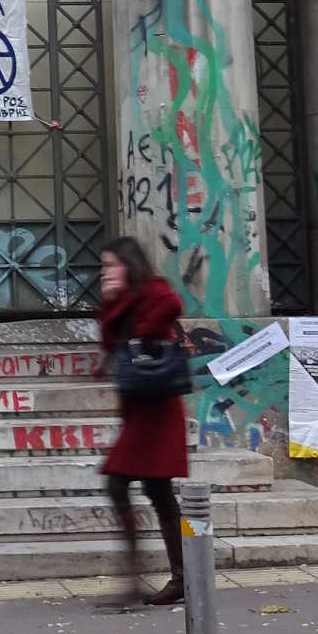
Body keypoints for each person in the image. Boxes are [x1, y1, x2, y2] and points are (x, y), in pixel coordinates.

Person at [98, 236, 188, 605]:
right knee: (158, 492)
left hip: (157, 410)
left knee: (121, 484)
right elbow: (110, 345)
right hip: (141, 409)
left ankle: (155, 579)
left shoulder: (153, 290)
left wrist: (141, 327)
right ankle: (180, 577)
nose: (104, 272)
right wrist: (114, 301)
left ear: (128, 264)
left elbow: (173, 305)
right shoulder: (122, 301)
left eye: (110, 265)